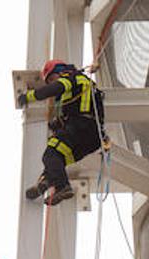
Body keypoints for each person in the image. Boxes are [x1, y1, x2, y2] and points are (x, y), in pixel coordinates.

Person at [17, 59, 107, 206]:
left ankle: (62, 186)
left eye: (52, 78)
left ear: (60, 71)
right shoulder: (82, 87)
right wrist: (57, 124)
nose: (51, 83)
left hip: (81, 127)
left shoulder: (72, 78)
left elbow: (54, 89)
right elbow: (79, 108)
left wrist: (29, 96)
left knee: (51, 154)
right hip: (92, 138)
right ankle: (46, 181)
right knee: (58, 160)